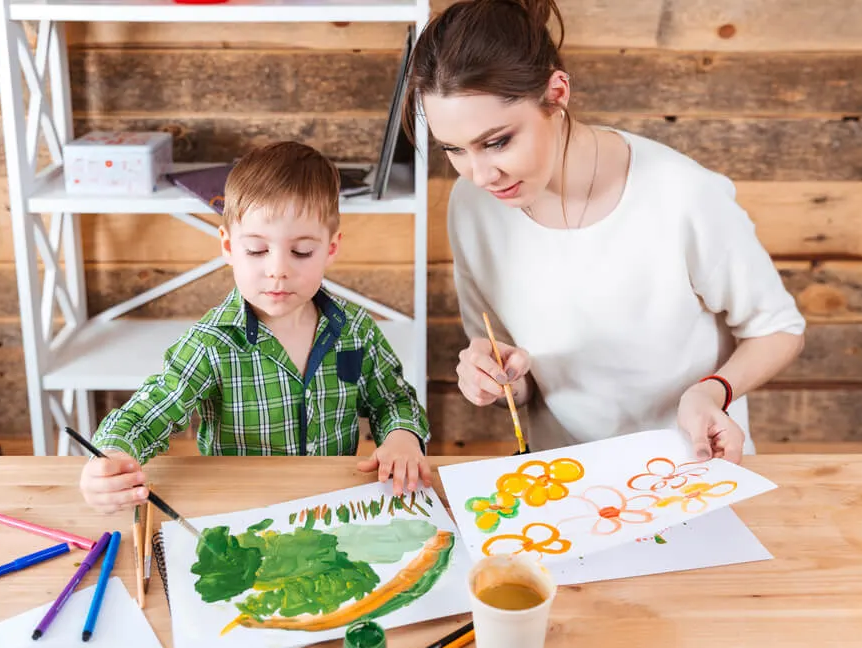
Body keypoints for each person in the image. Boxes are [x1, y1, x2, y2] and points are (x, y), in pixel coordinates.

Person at [405, 0, 805, 463]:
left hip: (694, 465)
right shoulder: (472, 207)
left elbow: (779, 329)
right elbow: (513, 373)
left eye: (497, 142)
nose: (479, 174)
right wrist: (501, 382)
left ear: (556, 93)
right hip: (561, 479)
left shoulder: (683, 194)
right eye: (454, 149)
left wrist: (711, 392)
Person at [79, 141, 431, 514]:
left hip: (332, 508)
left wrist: (402, 437)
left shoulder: (355, 331)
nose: (277, 269)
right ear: (229, 246)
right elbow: (149, 412)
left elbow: (391, 399)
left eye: (301, 252)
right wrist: (112, 456)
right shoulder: (212, 343)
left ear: (330, 248)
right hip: (240, 511)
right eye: (257, 250)